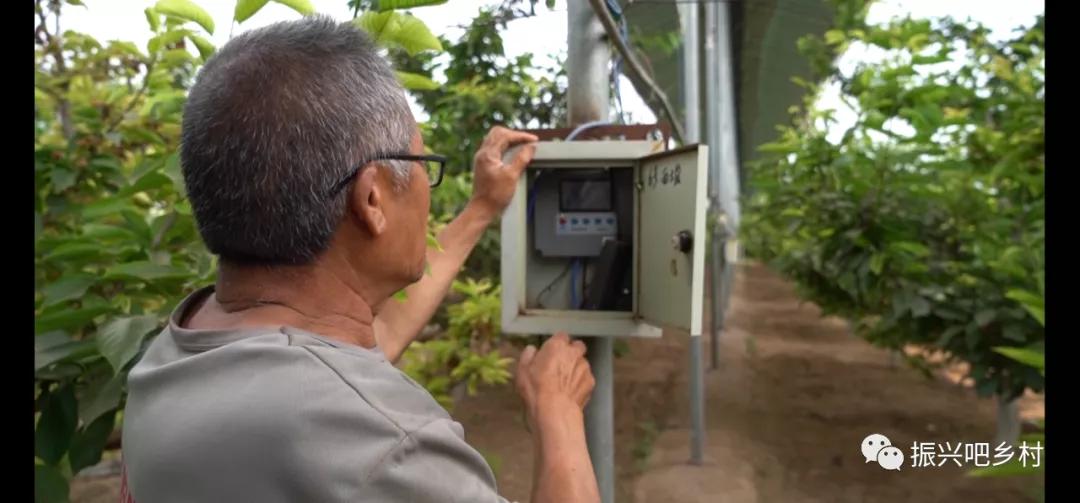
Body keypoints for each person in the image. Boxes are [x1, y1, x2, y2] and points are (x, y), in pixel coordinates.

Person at [120, 15, 599, 503]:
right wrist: (556, 412)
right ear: (372, 200)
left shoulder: (177, 352)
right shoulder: (387, 445)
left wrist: (481, 209)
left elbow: (367, 343)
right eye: (422, 165)